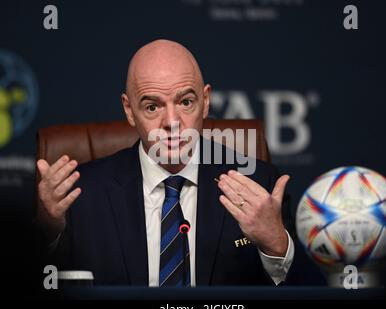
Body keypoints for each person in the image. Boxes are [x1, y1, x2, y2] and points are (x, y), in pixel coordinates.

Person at [36, 39, 294, 286]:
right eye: (152, 107)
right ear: (129, 110)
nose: (172, 122)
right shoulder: (81, 195)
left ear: (205, 102)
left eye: (185, 102)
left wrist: (276, 245)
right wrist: (47, 234)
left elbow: (306, 290)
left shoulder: (260, 184)